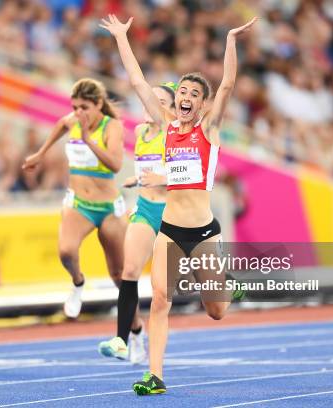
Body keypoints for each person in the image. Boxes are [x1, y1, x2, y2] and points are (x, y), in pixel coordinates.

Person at [101, 14, 257, 395]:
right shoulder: (166, 125)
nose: (185, 98)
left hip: (202, 232)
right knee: (159, 299)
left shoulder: (209, 129)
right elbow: (137, 81)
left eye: (193, 95)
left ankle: (225, 285)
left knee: (215, 311)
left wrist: (231, 42)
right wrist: (122, 37)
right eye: (182, 93)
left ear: (202, 105)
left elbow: (228, 85)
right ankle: (155, 376)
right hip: (169, 229)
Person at [23, 78, 127, 319]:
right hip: (79, 204)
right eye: (75, 108)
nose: (78, 113)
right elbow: (61, 124)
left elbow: (116, 164)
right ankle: (78, 282)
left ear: (98, 104)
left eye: (84, 108)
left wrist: (89, 141)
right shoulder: (73, 121)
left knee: (119, 275)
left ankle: (133, 330)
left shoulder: (112, 127)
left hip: (109, 208)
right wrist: (41, 153)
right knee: (66, 252)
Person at [98, 82, 175, 364]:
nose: (149, 104)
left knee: (167, 290)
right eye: (148, 99)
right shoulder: (141, 132)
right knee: (128, 270)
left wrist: (164, 179)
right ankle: (123, 339)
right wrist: (138, 179)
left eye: (159, 101)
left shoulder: (173, 133)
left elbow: (189, 173)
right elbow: (147, 168)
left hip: (173, 213)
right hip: (145, 208)